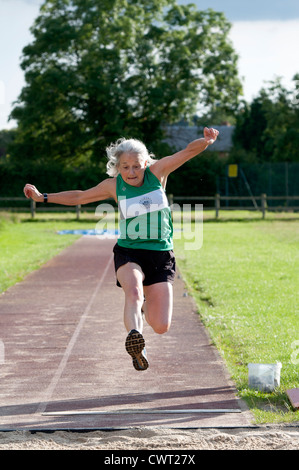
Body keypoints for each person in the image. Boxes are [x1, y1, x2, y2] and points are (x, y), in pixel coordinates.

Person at [24, 127, 219, 371]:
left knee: (161, 325)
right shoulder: (113, 185)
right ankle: (137, 341)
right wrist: (43, 197)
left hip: (161, 254)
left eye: (136, 166)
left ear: (145, 163)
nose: (131, 172)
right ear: (118, 167)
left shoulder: (157, 173)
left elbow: (186, 152)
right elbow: (79, 196)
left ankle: (145, 310)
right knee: (134, 291)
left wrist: (207, 141)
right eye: (125, 167)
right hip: (129, 252)